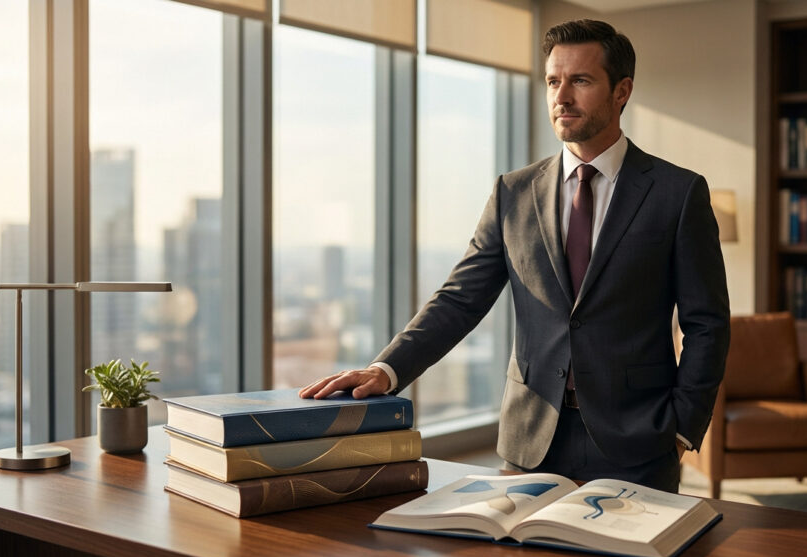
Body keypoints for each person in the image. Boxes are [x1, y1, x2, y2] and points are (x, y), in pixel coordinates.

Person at [300, 19, 730, 493]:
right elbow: (460, 299)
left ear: (621, 91)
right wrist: (387, 368)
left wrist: (682, 429)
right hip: (531, 440)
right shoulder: (513, 192)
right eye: (552, 81)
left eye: (580, 81)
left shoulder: (678, 193)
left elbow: (707, 323)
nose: (561, 96)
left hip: (639, 440)